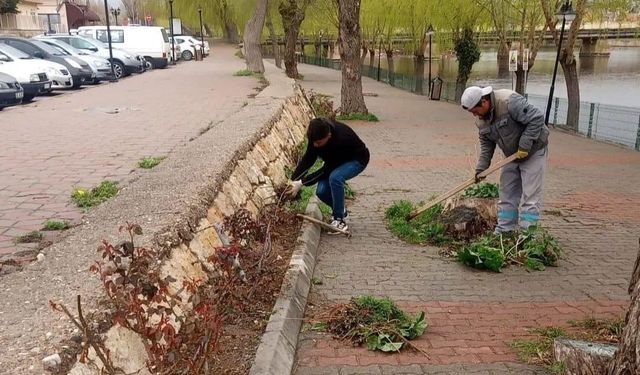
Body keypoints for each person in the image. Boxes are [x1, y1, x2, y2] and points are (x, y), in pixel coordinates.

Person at [460, 86, 549, 234]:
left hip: (534, 151)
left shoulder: (509, 101)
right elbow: (487, 146)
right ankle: (505, 230)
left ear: (484, 101)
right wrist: (481, 169)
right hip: (511, 155)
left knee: (530, 196)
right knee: (507, 193)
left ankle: (527, 234)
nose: (475, 115)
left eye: (475, 111)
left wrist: (525, 144)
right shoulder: (481, 121)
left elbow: (537, 118)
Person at [286, 117, 370, 233]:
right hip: (335, 162)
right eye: (313, 142)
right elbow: (308, 160)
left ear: (329, 136)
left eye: (319, 143)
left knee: (335, 178)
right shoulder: (316, 134)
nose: (315, 145)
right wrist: (293, 180)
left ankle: (339, 219)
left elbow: (327, 170)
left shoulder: (341, 139)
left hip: (356, 160)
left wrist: (302, 183)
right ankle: (342, 210)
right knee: (321, 191)